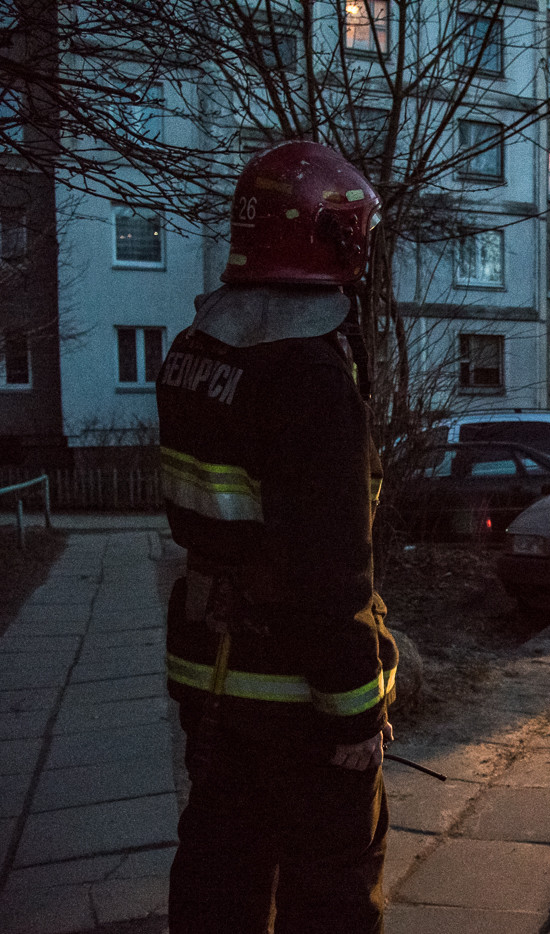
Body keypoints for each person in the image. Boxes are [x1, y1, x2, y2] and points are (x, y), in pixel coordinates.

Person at [157, 140, 397, 934]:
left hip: (208, 668)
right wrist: (357, 711)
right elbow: (328, 569)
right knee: (329, 888)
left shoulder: (196, 349)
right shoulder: (310, 375)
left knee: (220, 868)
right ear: (333, 238)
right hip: (296, 689)